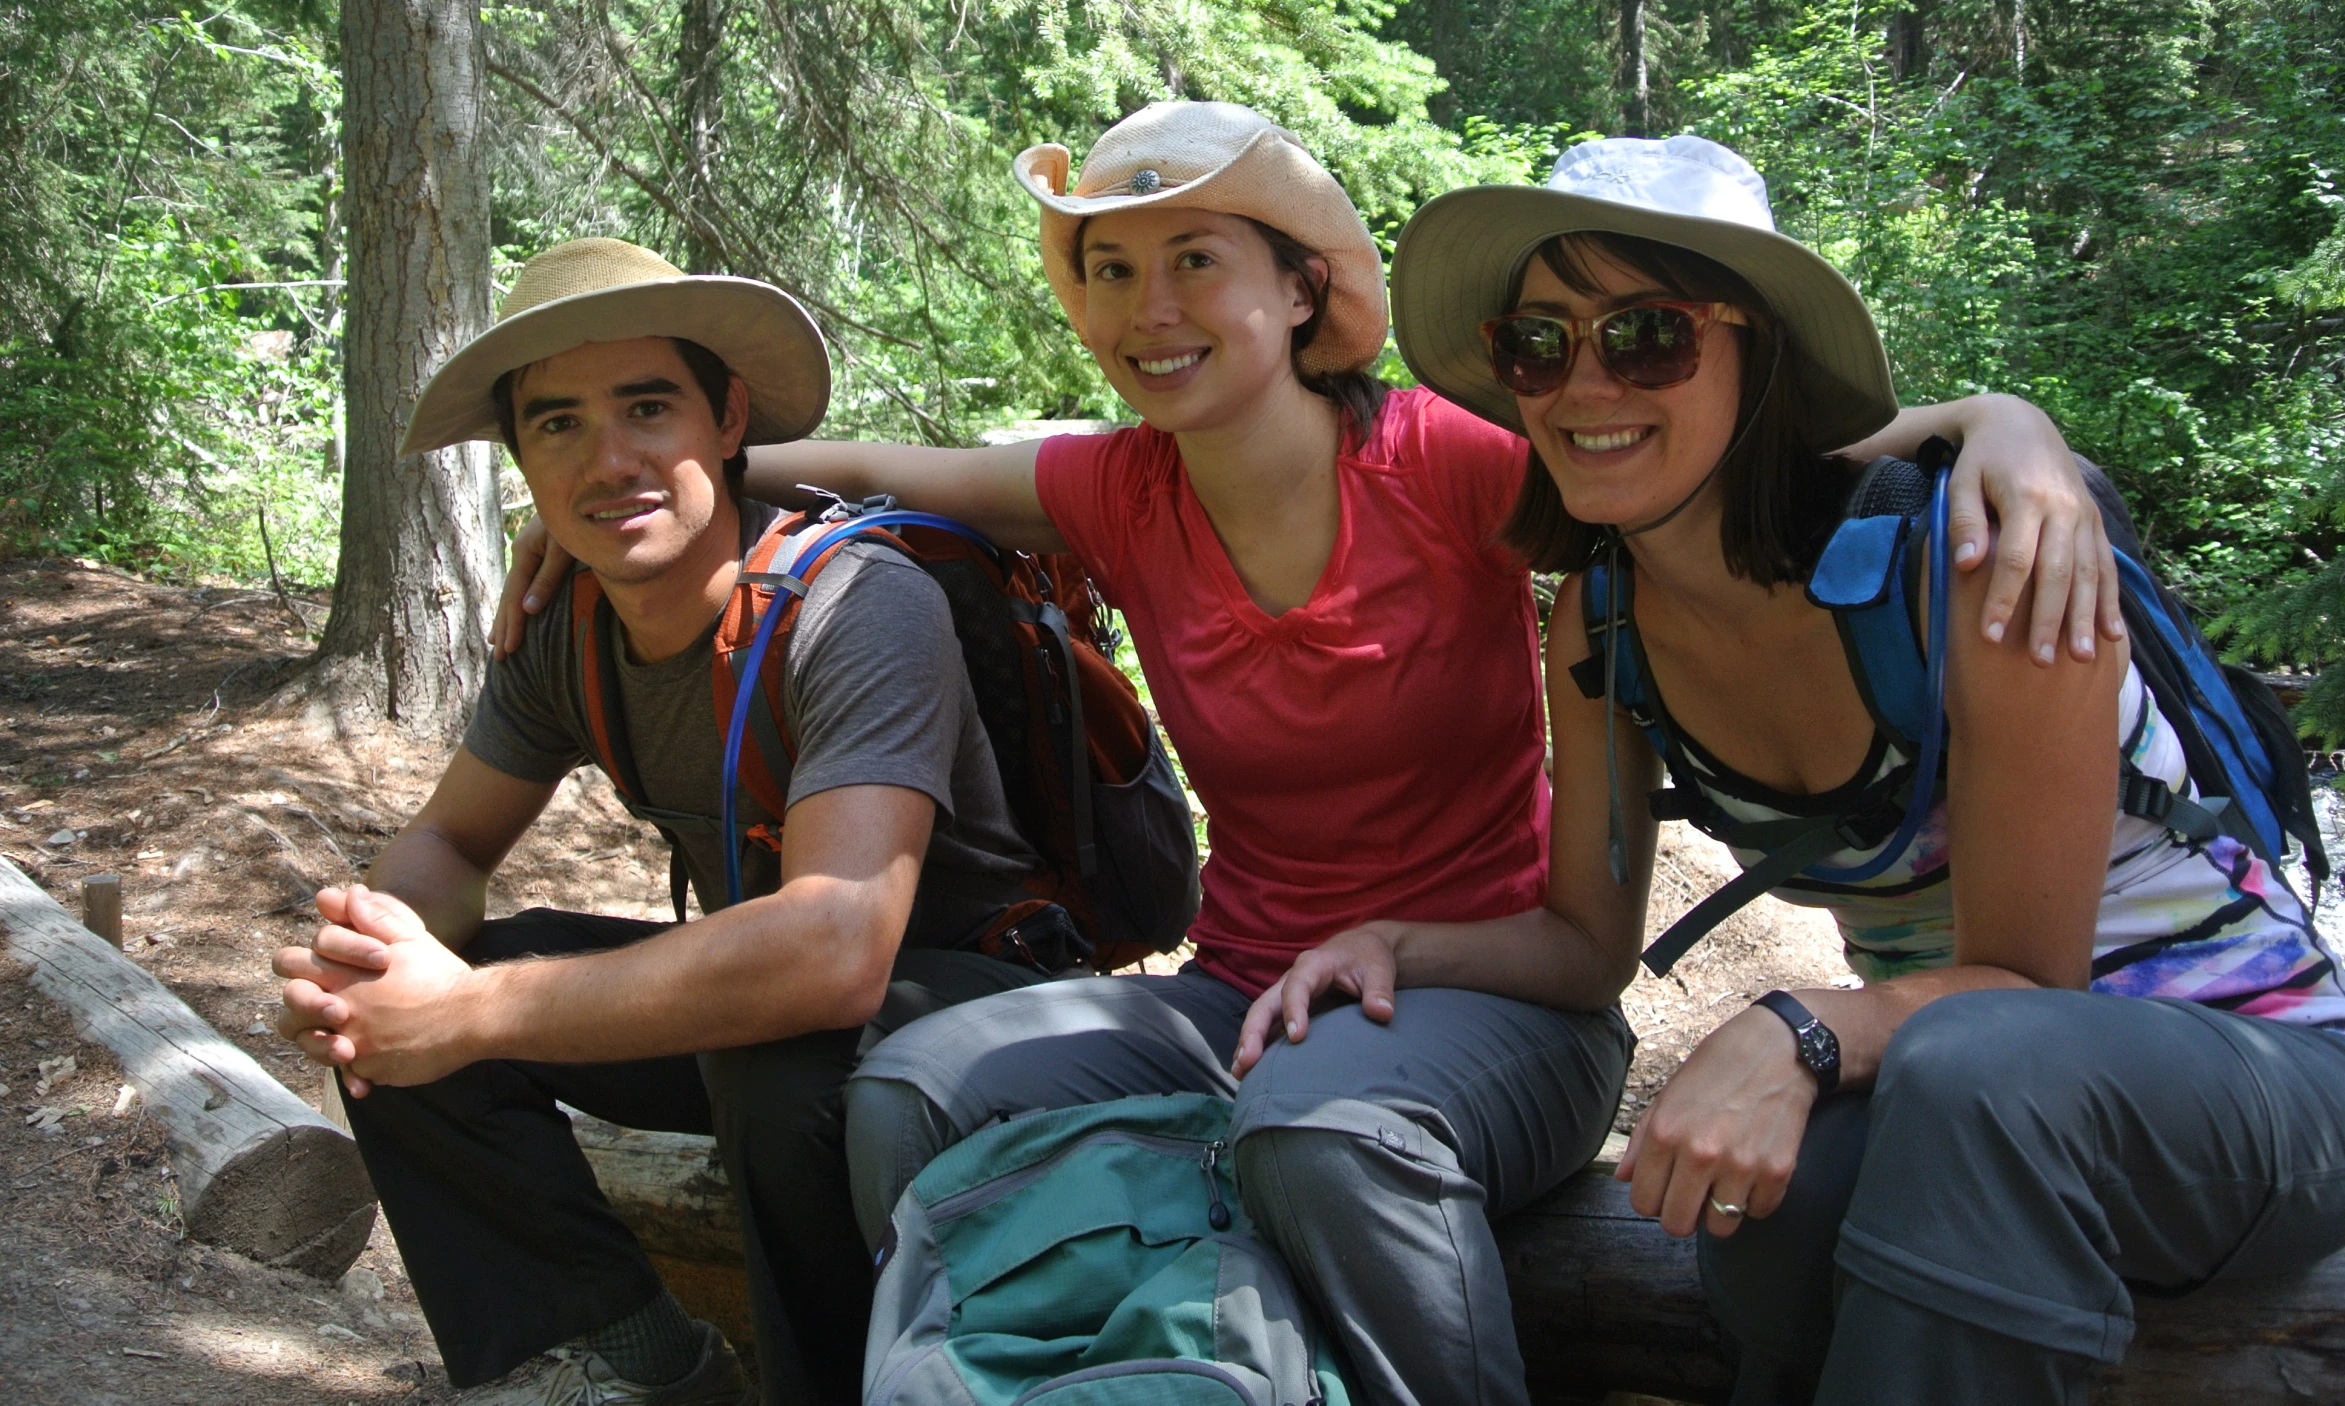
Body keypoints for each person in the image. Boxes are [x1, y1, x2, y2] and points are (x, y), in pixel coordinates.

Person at [494, 103, 2116, 1406]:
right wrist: (649, 487)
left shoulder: (1453, 462)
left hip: (1499, 1006)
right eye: (1110, 274)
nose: (1153, 311)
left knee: (1325, 1137)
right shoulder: (1116, 488)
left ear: (1297, 289)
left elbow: (1718, 451)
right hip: (1240, 989)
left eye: (1195, 259)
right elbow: (868, 462)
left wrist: (2004, 424)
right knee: (911, 1093)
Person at [1387, 132, 2345, 1405]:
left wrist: (1801, 1022)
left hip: (2248, 1079)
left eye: (1644, 337)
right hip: (1951, 1101)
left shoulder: (1974, 562)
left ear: (1758, 348)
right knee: (1765, 1231)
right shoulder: (1602, 621)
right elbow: (1582, 943)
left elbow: (2028, 995)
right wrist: (1393, 949)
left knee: (1980, 1075)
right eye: (1538, 344)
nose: (1582, 386)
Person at [272, 238, 1060, 1406]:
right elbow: (448, 842)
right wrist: (379, 954)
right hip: (773, 1015)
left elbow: (836, 951)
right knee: (430, 997)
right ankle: (620, 1360)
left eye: (649, 406)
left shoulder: (854, 605)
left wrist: (471, 1008)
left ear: (726, 416)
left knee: (774, 1071)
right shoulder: (568, 623)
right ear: (521, 460)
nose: (611, 459)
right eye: (558, 426)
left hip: (989, 1013)